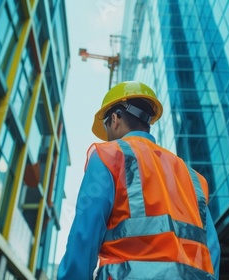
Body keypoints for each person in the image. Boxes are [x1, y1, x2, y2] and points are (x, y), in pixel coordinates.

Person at [58, 81, 220, 279]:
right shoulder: (192, 177)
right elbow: (211, 248)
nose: (107, 137)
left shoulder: (109, 156)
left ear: (115, 118)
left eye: (106, 126)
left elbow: (84, 237)